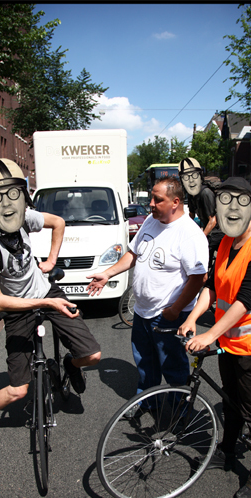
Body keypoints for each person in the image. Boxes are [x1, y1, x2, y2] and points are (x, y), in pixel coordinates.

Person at [0, 158, 101, 448]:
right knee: (18, 391)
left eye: (13, 194)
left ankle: (70, 364)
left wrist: (51, 260)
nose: (7, 204)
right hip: (16, 306)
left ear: (22, 196)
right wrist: (48, 304)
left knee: (93, 355)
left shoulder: (23, 217)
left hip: (46, 291)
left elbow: (58, 223)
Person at [178, 177, 251, 498]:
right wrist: (192, 318)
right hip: (232, 339)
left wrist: (209, 334)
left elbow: (246, 299)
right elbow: (212, 287)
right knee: (230, 399)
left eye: (239, 201)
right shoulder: (226, 242)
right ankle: (227, 449)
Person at [86, 176, 209, 417]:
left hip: (168, 315)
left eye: (157, 199)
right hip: (142, 312)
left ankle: (180, 413)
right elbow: (133, 254)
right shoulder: (151, 221)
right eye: (152, 198)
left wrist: (176, 310)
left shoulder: (190, 234)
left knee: (173, 367)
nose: (151, 204)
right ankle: (147, 402)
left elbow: (199, 278)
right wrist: (107, 274)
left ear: (175, 202)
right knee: (145, 362)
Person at [178, 157, 224, 272]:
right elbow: (191, 216)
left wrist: (200, 237)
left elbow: (213, 221)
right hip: (209, 231)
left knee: (202, 260)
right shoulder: (191, 194)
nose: (191, 180)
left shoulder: (205, 193)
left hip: (218, 232)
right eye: (186, 177)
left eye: (194, 175)